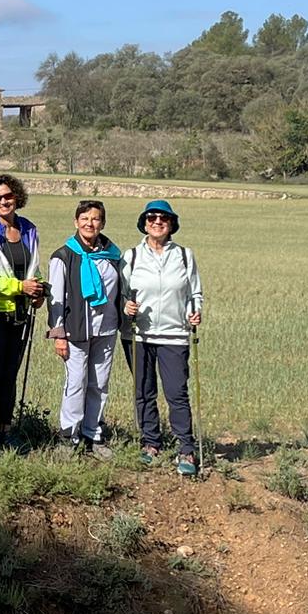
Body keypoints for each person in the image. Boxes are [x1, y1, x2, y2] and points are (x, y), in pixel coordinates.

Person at [122, 201, 205, 475]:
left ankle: (186, 449)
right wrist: (126, 306)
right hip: (139, 334)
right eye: (151, 217)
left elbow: (194, 293)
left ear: (171, 224)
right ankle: (150, 443)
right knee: (143, 391)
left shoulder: (184, 255)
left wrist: (195, 311)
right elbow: (122, 294)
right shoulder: (131, 256)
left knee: (177, 393)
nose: (157, 222)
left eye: (163, 218)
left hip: (174, 335)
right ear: (144, 222)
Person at [0, 173, 45, 450]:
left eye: (8, 196)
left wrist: (38, 290)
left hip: (20, 314)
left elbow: (33, 267)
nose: (4, 201)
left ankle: (6, 430)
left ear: (17, 197)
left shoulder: (29, 229)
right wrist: (19, 286)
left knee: (10, 373)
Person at [47, 200, 123, 458]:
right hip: (75, 332)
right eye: (85, 218)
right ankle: (69, 435)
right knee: (76, 383)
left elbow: (122, 291)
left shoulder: (113, 255)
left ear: (103, 223)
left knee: (99, 384)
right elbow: (56, 299)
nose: (90, 224)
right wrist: (58, 335)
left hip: (106, 329)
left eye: (96, 219)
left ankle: (94, 434)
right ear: (76, 221)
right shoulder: (64, 256)